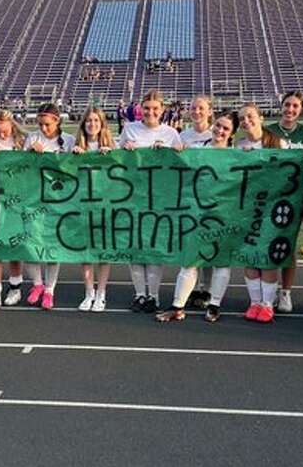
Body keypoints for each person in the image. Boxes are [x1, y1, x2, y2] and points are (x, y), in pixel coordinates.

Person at [157, 112, 235, 323]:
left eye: (226, 128)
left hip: (225, 215)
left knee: (221, 262)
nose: (220, 131)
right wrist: (178, 152)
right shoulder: (198, 151)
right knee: (190, 261)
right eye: (218, 125)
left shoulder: (237, 155)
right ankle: (177, 306)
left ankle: (214, 305)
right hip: (198, 214)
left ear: (232, 133)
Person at [120, 90, 182, 314]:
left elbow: (181, 160)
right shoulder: (129, 129)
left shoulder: (171, 132)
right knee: (136, 250)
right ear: (141, 109)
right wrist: (124, 150)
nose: (150, 112)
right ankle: (139, 294)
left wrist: (171, 151)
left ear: (162, 110)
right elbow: (117, 163)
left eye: (155, 108)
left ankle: (153, 297)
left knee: (154, 249)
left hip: (159, 199)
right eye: (147, 108)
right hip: (134, 197)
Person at [24, 103, 75, 310]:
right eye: (40, 124)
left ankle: (49, 289)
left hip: (57, 200)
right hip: (34, 198)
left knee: (52, 247)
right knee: (29, 243)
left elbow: (73, 170)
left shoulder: (69, 140)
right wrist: (29, 153)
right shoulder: (32, 138)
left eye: (47, 124)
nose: (43, 129)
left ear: (57, 121)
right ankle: (37, 284)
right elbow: (21, 167)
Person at [266, 91, 303, 313]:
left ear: (301, 109)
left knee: (290, 245)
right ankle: (271, 289)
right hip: (274, 196)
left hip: (296, 196)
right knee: (273, 243)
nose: (290, 110)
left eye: (295, 106)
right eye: (287, 105)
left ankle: (286, 292)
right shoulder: (270, 130)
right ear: (281, 106)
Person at [237, 104, 283, 323]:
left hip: (272, 208)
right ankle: (255, 302)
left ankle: (267, 304)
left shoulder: (277, 142)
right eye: (242, 118)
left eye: (250, 116)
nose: (246, 121)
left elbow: (285, 172)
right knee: (250, 255)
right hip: (248, 208)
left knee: (267, 257)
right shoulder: (240, 145)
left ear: (261, 118)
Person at [72, 107, 115, 313]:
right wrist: (73, 157)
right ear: (83, 124)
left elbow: (122, 171)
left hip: (105, 204)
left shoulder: (110, 145)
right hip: (82, 204)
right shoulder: (76, 146)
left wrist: (111, 157)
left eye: (96, 120)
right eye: (88, 120)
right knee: (86, 251)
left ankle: (101, 293)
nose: (92, 124)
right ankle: (89, 292)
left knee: (103, 251)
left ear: (102, 123)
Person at [0, 109, 26, 309]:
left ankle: (15, 288)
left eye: (5, 132)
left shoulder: (23, 140)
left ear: (12, 126)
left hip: (17, 198)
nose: (1, 135)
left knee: (14, 245)